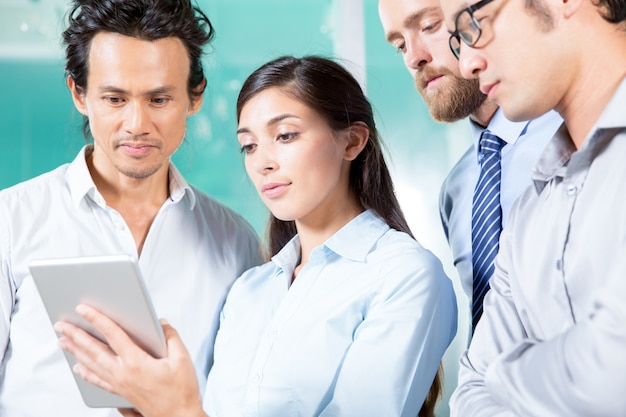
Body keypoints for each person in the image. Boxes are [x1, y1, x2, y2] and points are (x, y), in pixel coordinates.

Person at [53, 55, 458, 417]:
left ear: (352, 140)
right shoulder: (250, 289)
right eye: (248, 146)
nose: (263, 162)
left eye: (285, 136)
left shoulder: (405, 275)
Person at [0, 0, 262, 416]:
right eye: (115, 99)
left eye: (159, 99)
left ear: (195, 97)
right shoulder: (10, 222)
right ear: (79, 94)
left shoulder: (236, 244)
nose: (137, 124)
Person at [437, 0, 626, 413]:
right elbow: (469, 395)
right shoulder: (529, 212)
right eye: (458, 42)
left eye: (474, 24)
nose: (467, 63)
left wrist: (505, 375)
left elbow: (616, 371)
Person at [378, 0, 562, 333]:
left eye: (430, 26)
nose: (412, 57)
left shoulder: (578, 139)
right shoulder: (456, 191)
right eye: (400, 46)